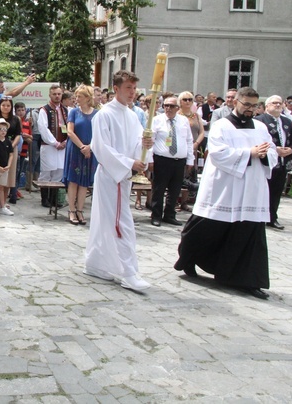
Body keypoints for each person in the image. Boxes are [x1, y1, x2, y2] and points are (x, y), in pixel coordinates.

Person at [174, 87, 277, 299]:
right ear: (236, 102)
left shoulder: (260, 126)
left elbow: (272, 151)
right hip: (225, 188)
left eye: (253, 105)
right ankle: (188, 259)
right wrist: (250, 153)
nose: (249, 109)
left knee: (249, 234)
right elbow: (219, 153)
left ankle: (246, 280)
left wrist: (266, 154)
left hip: (251, 190)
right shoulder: (222, 125)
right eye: (246, 104)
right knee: (206, 228)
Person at [83, 71, 153, 292]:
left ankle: (95, 263)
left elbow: (136, 146)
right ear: (116, 88)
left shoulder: (132, 115)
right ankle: (128, 272)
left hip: (124, 175)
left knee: (106, 221)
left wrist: (144, 147)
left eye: (134, 89)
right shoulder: (104, 115)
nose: (132, 93)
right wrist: (128, 163)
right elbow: (102, 148)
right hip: (111, 175)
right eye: (128, 88)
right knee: (120, 223)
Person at [149, 95, 194, 227]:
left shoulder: (183, 121)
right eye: (166, 106)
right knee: (159, 189)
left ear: (177, 108)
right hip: (162, 160)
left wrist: (190, 159)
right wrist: (149, 159)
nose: (168, 108)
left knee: (175, 190)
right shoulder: (157, 120)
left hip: (179, 160)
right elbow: (150, 141)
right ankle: (156, 215)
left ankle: (169, 214)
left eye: (171, 106)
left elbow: (189, 141)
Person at [256, 95, 292, 230]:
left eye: (280, 103)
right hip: (266, 162)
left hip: (282, 163)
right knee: (263, 190)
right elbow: (257, 139)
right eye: (274, 103)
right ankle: (258, 217)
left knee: (276, 191)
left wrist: (290, 149)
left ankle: (272, 218)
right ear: (267, 106)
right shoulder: (259, 120)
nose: (278, 105)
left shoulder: (286, 121)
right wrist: (274, 149)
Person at [62, 85, 98, 225]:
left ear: (88, 98)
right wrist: (82, 146)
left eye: (79, 96)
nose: (76, 99)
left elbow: (99, 133)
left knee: (84, 182)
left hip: (89, 150)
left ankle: (80, 210)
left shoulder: (96, 114)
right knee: (74, 180)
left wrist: (90, 147)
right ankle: (71, 210)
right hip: (76, 149)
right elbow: (70, 132)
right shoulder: (74, 112)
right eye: (76, 97)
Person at [0, 96, 21, 207]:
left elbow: (18, 135)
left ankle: (3, 202)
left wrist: (11, 146)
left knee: (8, 177)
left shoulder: (16, 119)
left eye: (8, 105)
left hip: (10, 149)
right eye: (3, 105)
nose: (6, 108)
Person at [38, 84, 68, 208]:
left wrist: (66, 142)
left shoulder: (66, 110)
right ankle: (45, 199)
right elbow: (43, 129)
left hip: (63, 146)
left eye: (59, 94)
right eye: (54, 94)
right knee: (46, 173)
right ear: (50, 95)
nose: (57, 96)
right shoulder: (44, 110)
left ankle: (54, 199)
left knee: (59, 172)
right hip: (49, 146)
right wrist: (54, 143)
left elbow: (71, 127)